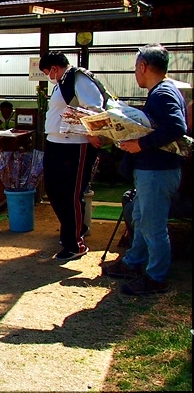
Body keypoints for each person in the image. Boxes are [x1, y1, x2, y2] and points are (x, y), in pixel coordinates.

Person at [103, 44, 188, 295]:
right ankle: (133, 262)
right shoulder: (161, 91)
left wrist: (140, 144)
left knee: (153, 226)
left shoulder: (163, 93)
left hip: (158, 172)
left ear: (143, 67)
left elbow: (176, 126)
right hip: (151, 171)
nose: (135, 74)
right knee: (141, 218)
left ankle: (156, 277)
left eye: (135, 68)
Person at [39, 51, 107, 261]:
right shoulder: (61, 83)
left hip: (75, 145)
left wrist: (91, 133)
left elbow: (95, 108)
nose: (48, 77)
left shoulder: (78, 78)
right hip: (56, 142)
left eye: (47, 72)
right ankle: (75, 228)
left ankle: (74, 243)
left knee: (70, 193)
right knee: (53, 189)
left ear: (54, 68)